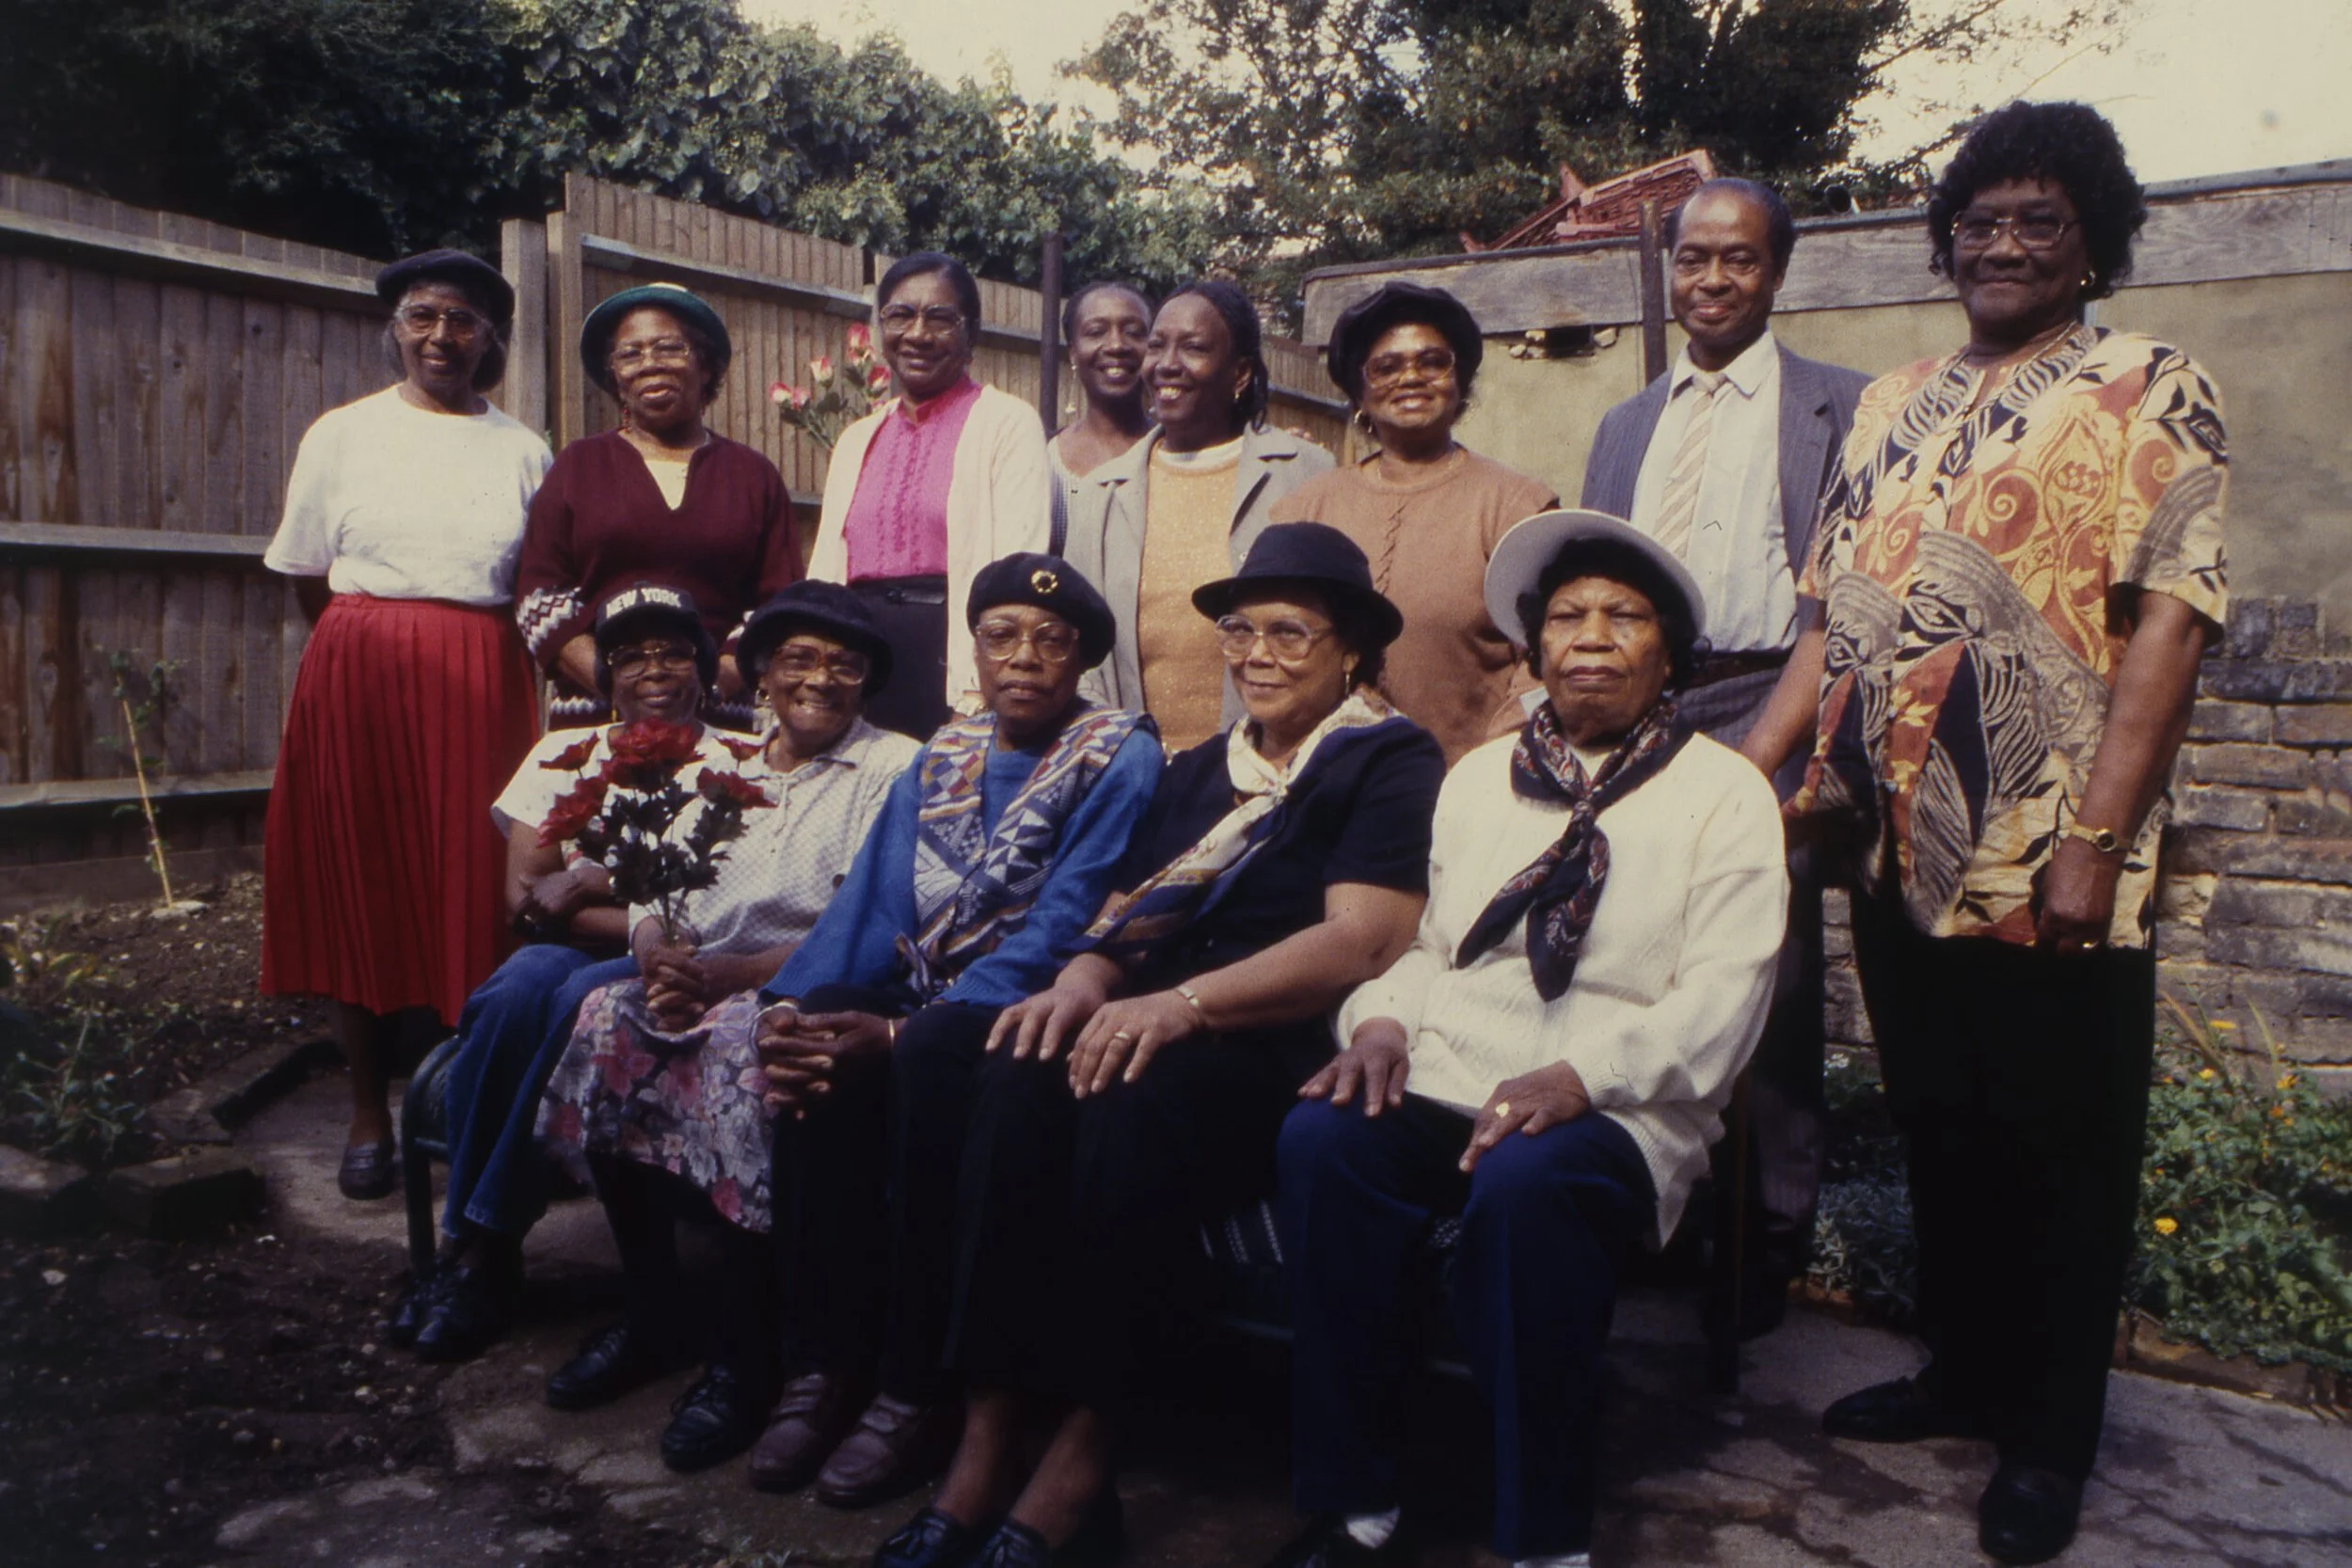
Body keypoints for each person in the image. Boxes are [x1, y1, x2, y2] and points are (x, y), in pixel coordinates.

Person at [1741, 102, 2227, 1566]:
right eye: (1983, 218)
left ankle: (2053, 1435)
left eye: (2041, 220)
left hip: (2048, 836)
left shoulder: (2157, 384)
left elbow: (2166, 626)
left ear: (2095, 240)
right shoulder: (1888, 402)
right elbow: (1827, 626)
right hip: (1890, 836)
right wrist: (1741, 782)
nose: (2004, 243)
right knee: (1943, 1119)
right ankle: (1962, 1370)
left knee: (2060, 1144)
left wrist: (2096, 832)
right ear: (1945, 235)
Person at [867, 524, 1445, 1568]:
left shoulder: (1386, 757)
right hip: (1156, 1005)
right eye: (1240, 630)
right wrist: (1082, 982)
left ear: (1352, 649)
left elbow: (1363, 936)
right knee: (982, 1054)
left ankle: (1086, 1453)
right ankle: (989, 1424)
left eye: (1288, 631)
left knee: (1128, 1098)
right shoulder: (1197, 769)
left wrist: (1177, 1003)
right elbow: (1120, 909)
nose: (1256, 653)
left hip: (1274, 1035)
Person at [1269, 511, 1787, 1568]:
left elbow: (1725, 1000)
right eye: (1567, 617)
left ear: (1668, 651)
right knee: (1324, 1139)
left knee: (1525, 1182)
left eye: (1623, 615)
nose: (1590, 635)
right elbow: (1432, 951)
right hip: (1457, 1066)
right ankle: (1355, 1494)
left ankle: (1543, 1538)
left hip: (1622, 1099)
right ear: (1537, 647)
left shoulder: (1726, 792)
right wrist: (1375, 1021)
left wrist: (1581, 1075)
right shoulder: (1480, 777)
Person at [740, 555, 1163, 1512]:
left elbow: (1071, 918)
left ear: (1082, 660)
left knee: (928, 1051)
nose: (1024, 658)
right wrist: (793, 1009)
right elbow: (874, 897)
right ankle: (822, 1363)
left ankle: (913, 1384)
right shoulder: (944, 751)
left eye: (1052, 641)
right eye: (1002, 634)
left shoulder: (1116, 751)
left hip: (1031, 1009)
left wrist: (905, 1026)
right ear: (974, 648)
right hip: (920, 996)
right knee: (820, 1028)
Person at [532, 580, 921, 1470]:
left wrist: (724, 978)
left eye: (844, 663)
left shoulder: (895, 767)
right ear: (762, 673)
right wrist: (658, 953)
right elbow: (639, 881)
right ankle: (654, 1308)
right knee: (602, 1014)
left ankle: (747, 1355)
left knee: (752, 1055)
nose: (820, 679)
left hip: (808, 986)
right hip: (701, 976)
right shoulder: (722, 765)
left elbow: (874, 928)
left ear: (867, 680)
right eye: (798, 659)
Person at [1581, 178, 1871, 1328]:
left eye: (1737, 260)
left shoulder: (1839, 406)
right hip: (1653, 700)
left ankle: (1766, 1235)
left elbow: (1845, 601)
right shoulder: (1624, 423)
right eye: (1692, 259)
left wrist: (1765, 749)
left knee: (1770, 966)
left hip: (1773, 692)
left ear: (1775, 272)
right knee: (1638, 946)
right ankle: (1665, 1202)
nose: (1710, 280)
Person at [260, 247, 553, 1200]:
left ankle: (471, 1107)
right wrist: (374, 644)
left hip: (483, 676)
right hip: (360, 671)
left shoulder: (522, 447)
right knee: (363, 875)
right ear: (395, 327)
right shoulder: (341, 434)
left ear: (489, 337)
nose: (441, 336)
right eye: (423, 316)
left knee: (478, 882)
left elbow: (533, 586)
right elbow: (308, 571)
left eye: (462, 320)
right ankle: (364, 1112)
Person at [397, 584, 746, 1362]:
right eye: (630, 654)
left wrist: (587, 879)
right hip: (585, 945)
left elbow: (716, 904)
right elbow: (523, 901)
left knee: (576, 993)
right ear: (604, 673)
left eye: (673, 650)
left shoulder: (735, 763)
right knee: (519, 985)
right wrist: (632, 901)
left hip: (667, 959)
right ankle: (480, 1243)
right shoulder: (562, 755)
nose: (653, 669)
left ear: (701, 666)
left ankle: (480, 1249)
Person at [1272, 282, 1556, 765]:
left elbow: (1545, 656)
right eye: (1386, 367)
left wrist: (1487, 769)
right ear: (1358, 390)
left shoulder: (1515, 506)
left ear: (1460, 379)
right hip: (1323, 790)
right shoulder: (1306, 508)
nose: (1411, 378)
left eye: (1432, 362)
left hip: (1469, 786)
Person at [1066, 280, 1335, 752]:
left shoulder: (1306, 474)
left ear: (1240, 374)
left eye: (1193, 348)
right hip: (1134, 773)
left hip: (1270, 770)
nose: (1167, 364)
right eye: (1157, 345)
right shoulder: (1100, 493)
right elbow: (1080, 650)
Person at [516, 282, 800, 730]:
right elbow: (538, 597)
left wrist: (713, 682)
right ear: (614, 376)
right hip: (596, 713)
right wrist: (613, 682)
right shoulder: (578, 466)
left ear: (704, 365)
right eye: (630, 354)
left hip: (717, 716)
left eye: (669, 347)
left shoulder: (752, 474)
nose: (650, 365)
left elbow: (778, 604)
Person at [807, 253, 1054, 737]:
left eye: (939, 318)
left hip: (949, 668)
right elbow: (826, 573)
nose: (917, 334)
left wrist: (975, 698)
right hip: (860, 670)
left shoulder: (1007, 423)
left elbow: (1016, 573)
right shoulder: (858, 438)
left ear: (971, 334)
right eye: (899, 316)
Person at [1048, 281, 1155, 554]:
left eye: (1133, 332)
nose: (1117, 345)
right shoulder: (1044, 459)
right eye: (1096, 332)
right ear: (1073, 352)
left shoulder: (1173, 452)